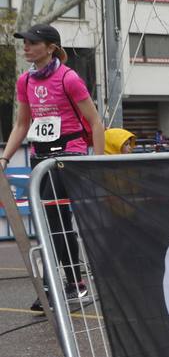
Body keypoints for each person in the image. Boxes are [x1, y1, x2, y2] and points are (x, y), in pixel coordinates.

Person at [1, 24, 106, 309]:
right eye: (24, 43)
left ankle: (56, 286)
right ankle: (72, 283)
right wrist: (4, 158)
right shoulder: (25, 81)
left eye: (32, 43)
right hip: (40, 155)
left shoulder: (68, 78)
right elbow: (22, 124)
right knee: (54, 222)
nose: (26, 47)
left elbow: (96, 122)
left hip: (68, 154)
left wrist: (98, 162)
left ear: (50, 47)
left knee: (52, 217)